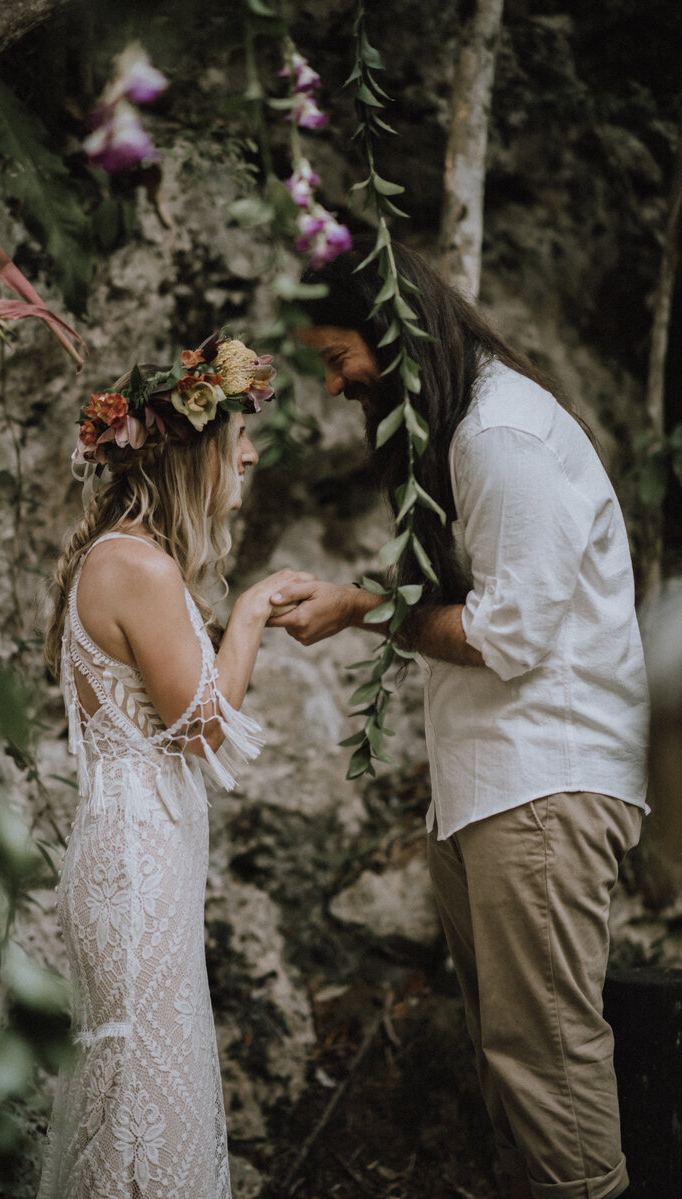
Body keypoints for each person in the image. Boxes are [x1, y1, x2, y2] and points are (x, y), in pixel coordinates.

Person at [268, 241, 649, 1199]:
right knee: (508, 1068)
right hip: (492, 787)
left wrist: (365, 607)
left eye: (335, 355)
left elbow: (507, 636)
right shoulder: (462, 430)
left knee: (548, 1064)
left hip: (545, 786)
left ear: (391, 335)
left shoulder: (499, 437)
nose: (333, 382)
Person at [38, 333, 310, 1199]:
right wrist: (257, 609)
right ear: (196, 455)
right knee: (142, 1098)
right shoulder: (139, 567)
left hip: (141, 857)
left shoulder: (125, 558)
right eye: (239, 442)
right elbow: (199, 726)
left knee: (142, 1087)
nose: (253, 453)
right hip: (134, 865)